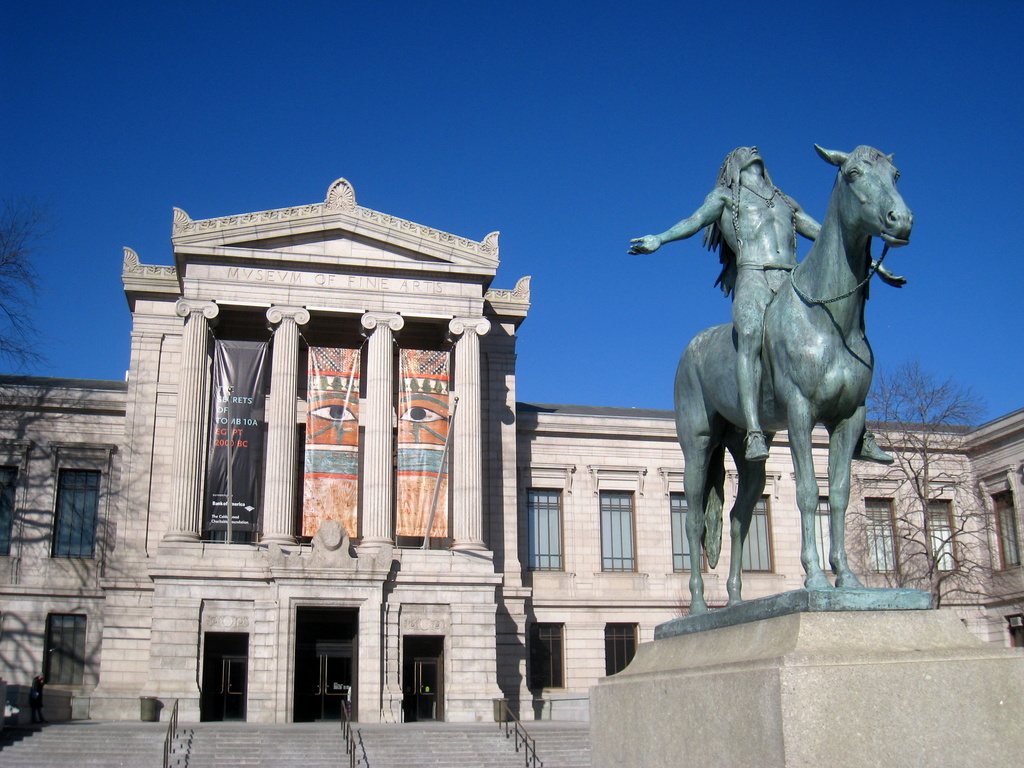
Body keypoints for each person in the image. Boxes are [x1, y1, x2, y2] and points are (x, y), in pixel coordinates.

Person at [630, 146, 896, 463]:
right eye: (744, 151)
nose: (752, 150)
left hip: (792, 279)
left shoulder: (784, 201)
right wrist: (660, 238)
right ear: (731, 165)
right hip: (754, 276)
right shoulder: (725, 197)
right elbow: (695, 220)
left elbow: (827, 235)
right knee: (751, 333)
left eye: (754, 150)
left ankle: (859, 433)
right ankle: (754, 430)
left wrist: (871, 262)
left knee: (838, 330)